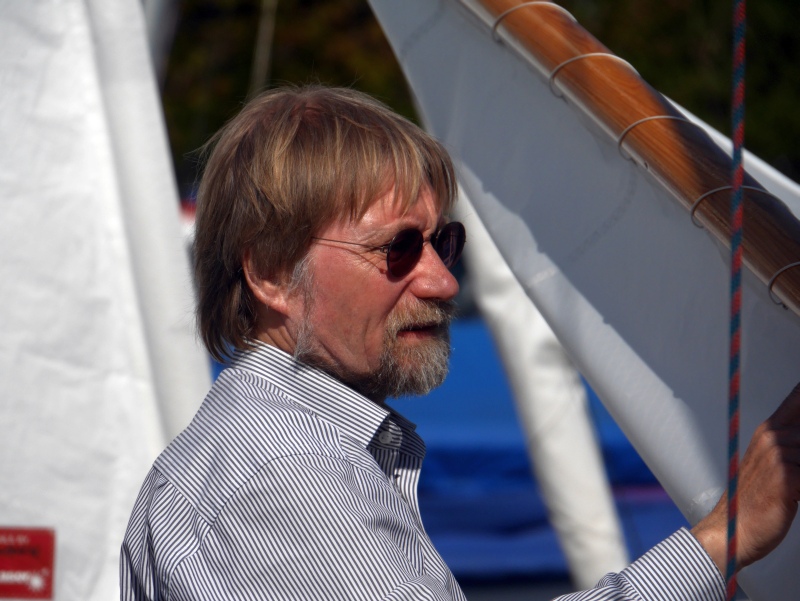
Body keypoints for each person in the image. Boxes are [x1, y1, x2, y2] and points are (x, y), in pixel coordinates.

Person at [120, 85, 800, 600]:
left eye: (442, 242)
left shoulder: (268, 451)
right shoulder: (285, 474)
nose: (443, 280)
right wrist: (723, 539)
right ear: (270, 273)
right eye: (397, 248)